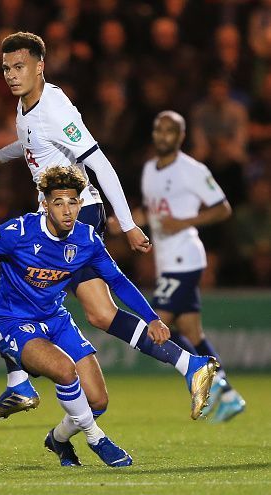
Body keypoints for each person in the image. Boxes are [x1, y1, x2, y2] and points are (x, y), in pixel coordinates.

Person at [0, 166, 218, 467]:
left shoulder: (86, 239)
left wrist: (152, 317)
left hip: (56, 319)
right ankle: (97, 438)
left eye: (72, 202)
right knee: (65, 370)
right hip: (12, 322)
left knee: (98, 401)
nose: (67, 210)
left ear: (81, 203)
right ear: (45, 205)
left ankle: (57, 439)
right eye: (58, 202)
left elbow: (119, 281)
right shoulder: (17, 232)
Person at [0, 31, 185, 421]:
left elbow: (99, 163)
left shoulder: (55, 107)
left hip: (76, 212)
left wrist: (129, 224)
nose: (12, 75)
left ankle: (187, 364)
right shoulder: (27, 106)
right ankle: (20, 383)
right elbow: (32, 143)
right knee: (0, 285)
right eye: (6, 69)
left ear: (40, 67)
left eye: (19, 67)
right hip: (49, 215)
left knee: (96, 310)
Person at [140, 110, 245, 422]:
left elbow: (223, 208)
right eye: (158, 130)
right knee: (190, 331)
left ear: (181, 136)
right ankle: (227, 394)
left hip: (185, 258)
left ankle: (202, 375)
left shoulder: (192, 170)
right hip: (166, 259)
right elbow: (154, 212)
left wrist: (185, 222)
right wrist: (131, 222)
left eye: (170, 131)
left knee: (156, 327)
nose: (163, 136)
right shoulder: (149, 170)